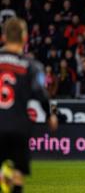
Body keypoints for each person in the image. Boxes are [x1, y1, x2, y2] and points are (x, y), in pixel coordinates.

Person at [0, 17, 58, 193]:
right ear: (25, 38)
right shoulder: (32, 66)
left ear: (3, 37)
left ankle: (3, 176)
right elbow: (42, 94)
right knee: (19, 174)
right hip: (19, 126)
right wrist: (51, 116)